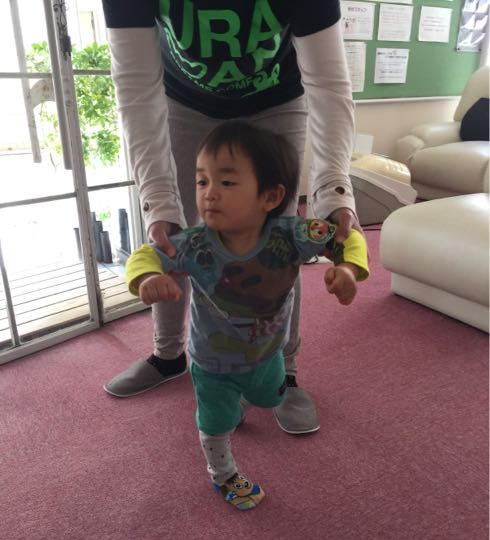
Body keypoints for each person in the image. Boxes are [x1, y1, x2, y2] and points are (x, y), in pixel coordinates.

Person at [101, 0, 361, 434]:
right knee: (173, 232)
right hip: (182, 101)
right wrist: (158, 201)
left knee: (278, 237)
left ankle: (284, 371)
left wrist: (333, 189)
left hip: (278, 96)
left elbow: (330, 86)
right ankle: (168, 356)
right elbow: (135, 90)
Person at [125, 121, 369, 510]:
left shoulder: (290, 235)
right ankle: (223, 475)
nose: (209, 193)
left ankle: (243, 401)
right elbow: (146, 254)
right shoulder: (195, 244)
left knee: (269, 396)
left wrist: (348, 270)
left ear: (271, 196)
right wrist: (148, 276)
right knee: (215, 422)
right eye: (202, 181)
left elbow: (347, 237)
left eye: (226, 182)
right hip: (213, 362)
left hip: (268, 353)